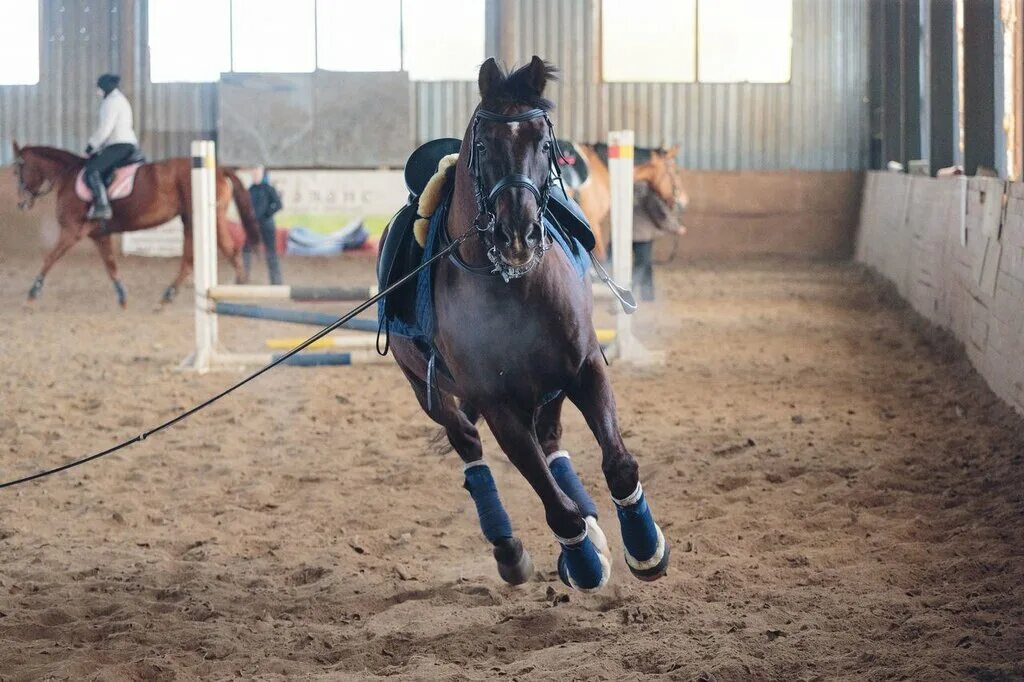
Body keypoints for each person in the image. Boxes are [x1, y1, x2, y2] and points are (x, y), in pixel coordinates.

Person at [84, 73, 139, 221]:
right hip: (124, 143)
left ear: (106, 87)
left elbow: (105, 129)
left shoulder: (111, 102)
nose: (98, 91)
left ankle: (103, 206)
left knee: (92, 170)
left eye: (99, 87)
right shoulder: (119, 100)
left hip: (120, 145)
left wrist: (90, 147)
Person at [632, 181, 686, 301]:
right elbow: (660, 215)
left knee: (641, 266)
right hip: (642, 235)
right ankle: (636, 294)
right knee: (642, 266)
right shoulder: (648, 192)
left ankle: (646, 296)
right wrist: (676, 228)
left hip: (627, 233)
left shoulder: (632, 188)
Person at [242, 167, 284, 285]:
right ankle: (243, 279)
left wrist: (266, 214)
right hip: (252, 227)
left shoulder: (269, 189)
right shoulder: (250, 190)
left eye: (257, 172)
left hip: (267, 226)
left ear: (262, 174)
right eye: (253, 172)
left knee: (271, 253)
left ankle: (276, 282)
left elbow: (278, 205)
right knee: (246, 251)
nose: (255, 174)